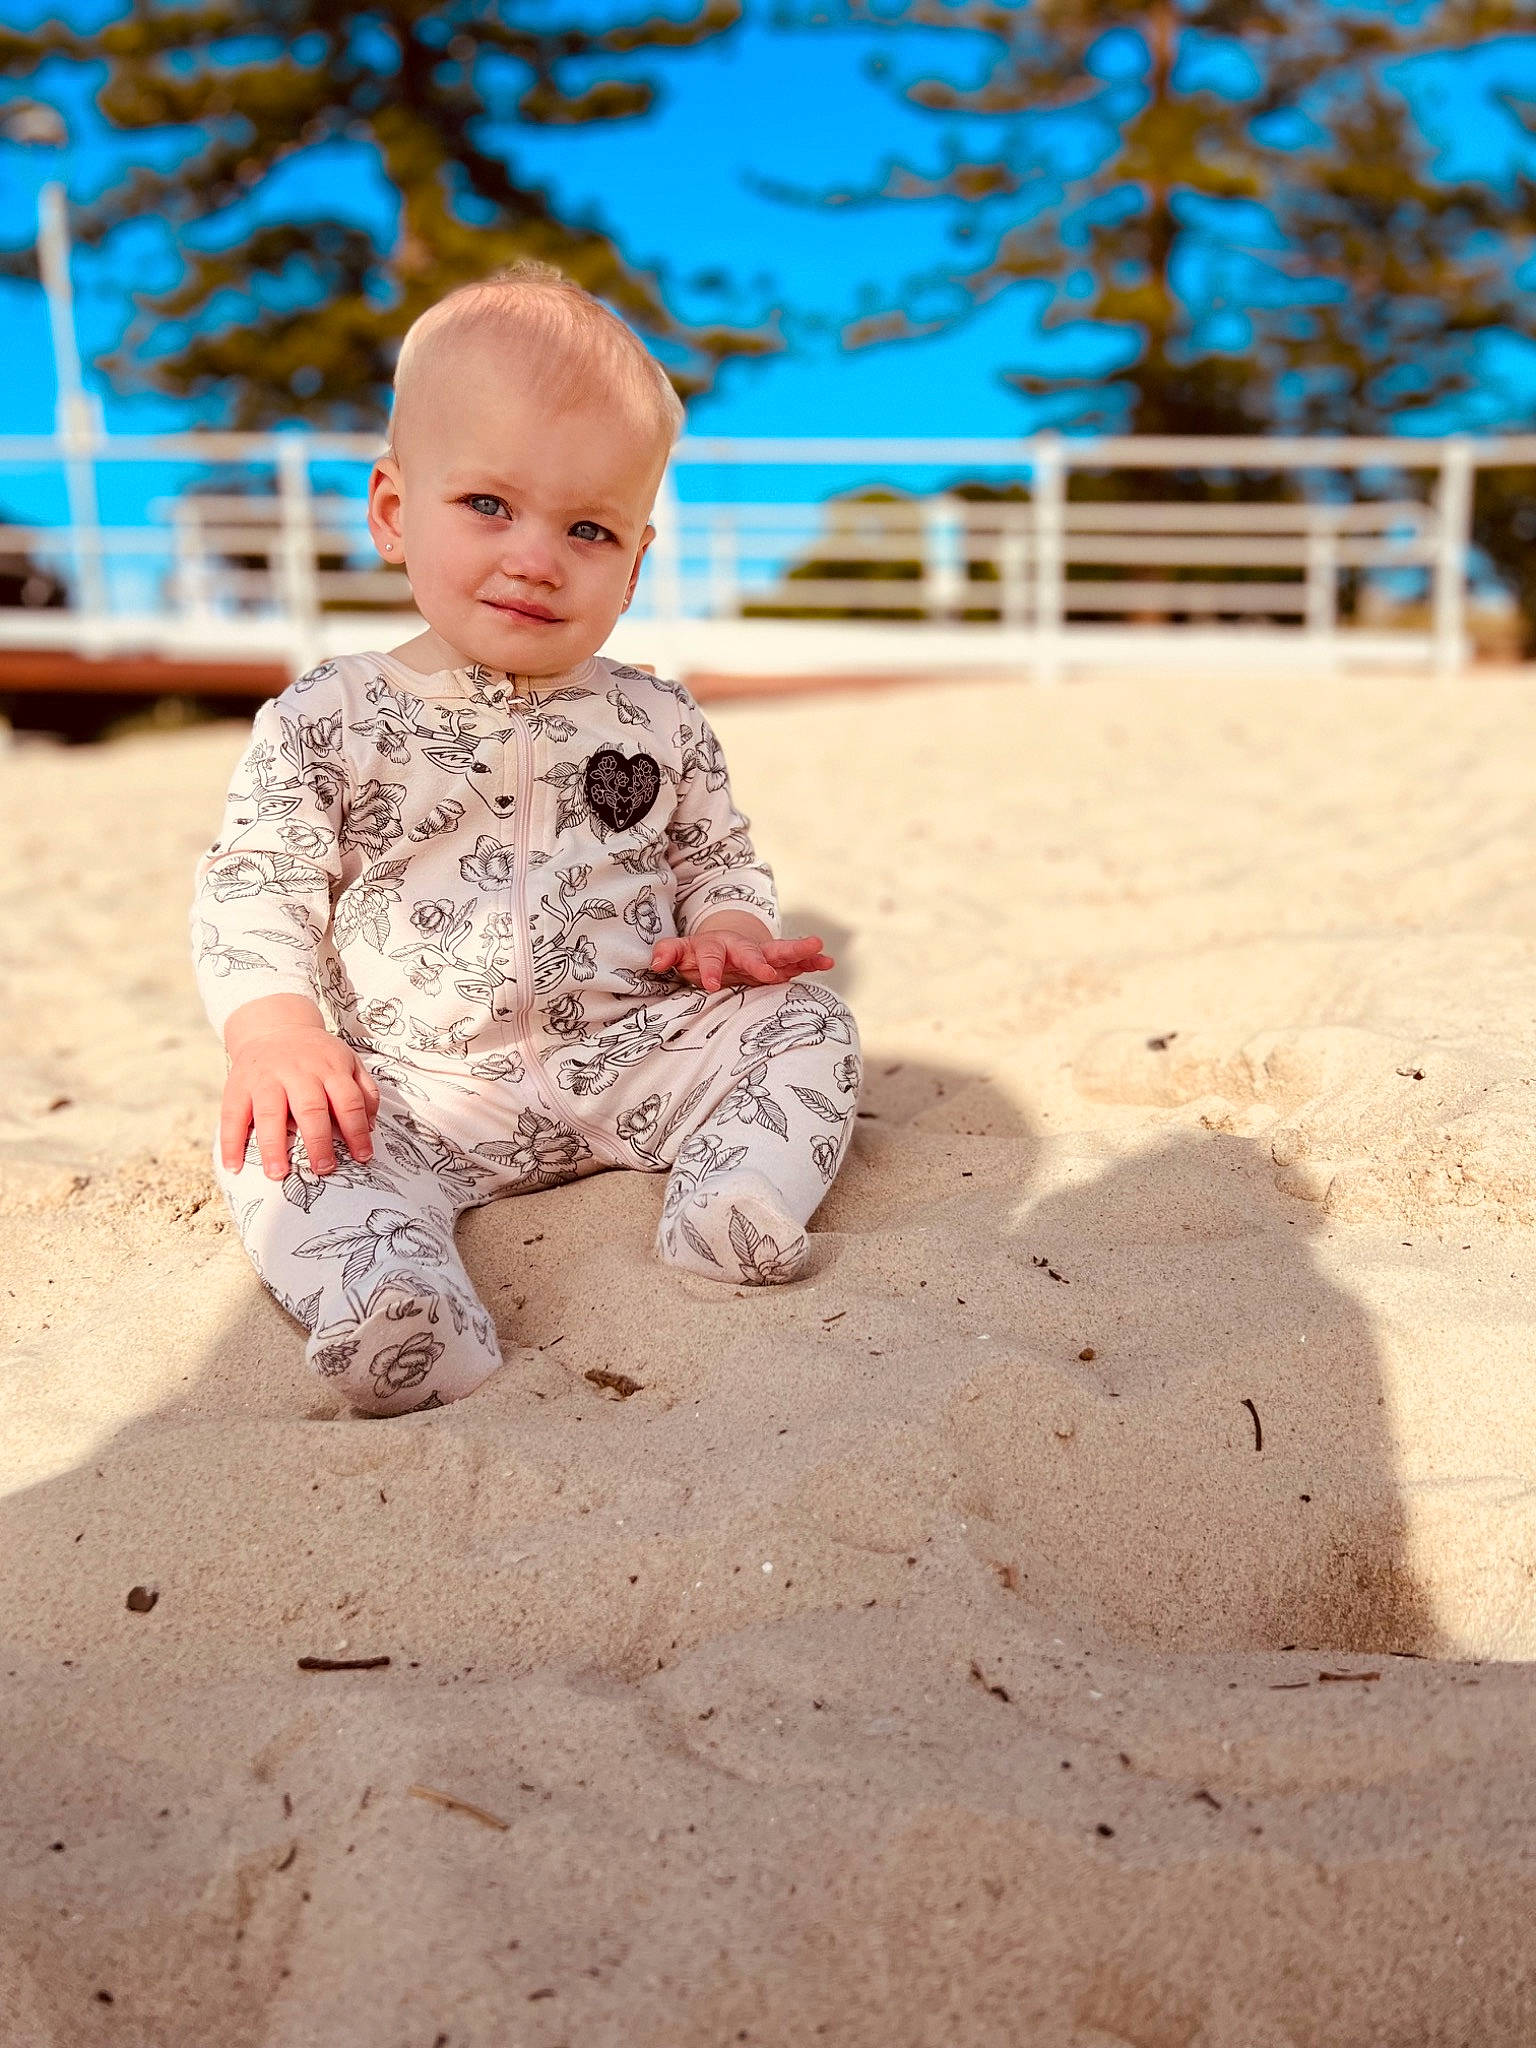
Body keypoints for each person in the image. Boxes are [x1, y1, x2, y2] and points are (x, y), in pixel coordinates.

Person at [190, 262, 861, 1417]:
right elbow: (257, 885)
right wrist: (277, 1033)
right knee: (280, 1140)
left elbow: (718, 855)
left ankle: (734, 1192)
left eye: (589, 527)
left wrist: (730, 932)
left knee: (804, 1021)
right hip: (418, 1089)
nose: (538, 555)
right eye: (489, 505)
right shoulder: (331, 715)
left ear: (636, 562)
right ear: (396, 513)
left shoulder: (659, 718)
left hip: (627, 1054)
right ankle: (396, 1297)